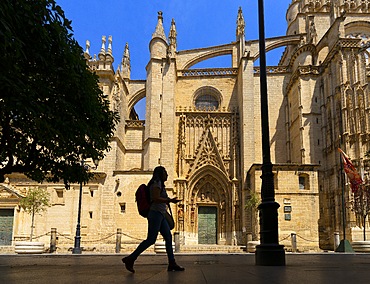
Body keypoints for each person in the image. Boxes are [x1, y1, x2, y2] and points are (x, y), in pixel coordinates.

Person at [122, 166, 185, 273]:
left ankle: (172, 263)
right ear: (160, 174)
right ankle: (131, 258)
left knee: (168, 237)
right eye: (165, 172)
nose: (167, 175)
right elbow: (155, 198)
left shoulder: (159, 183)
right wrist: (169, 200)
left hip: (160, 214)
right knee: (151, 239)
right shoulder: (156, 183)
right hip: (155, 214)